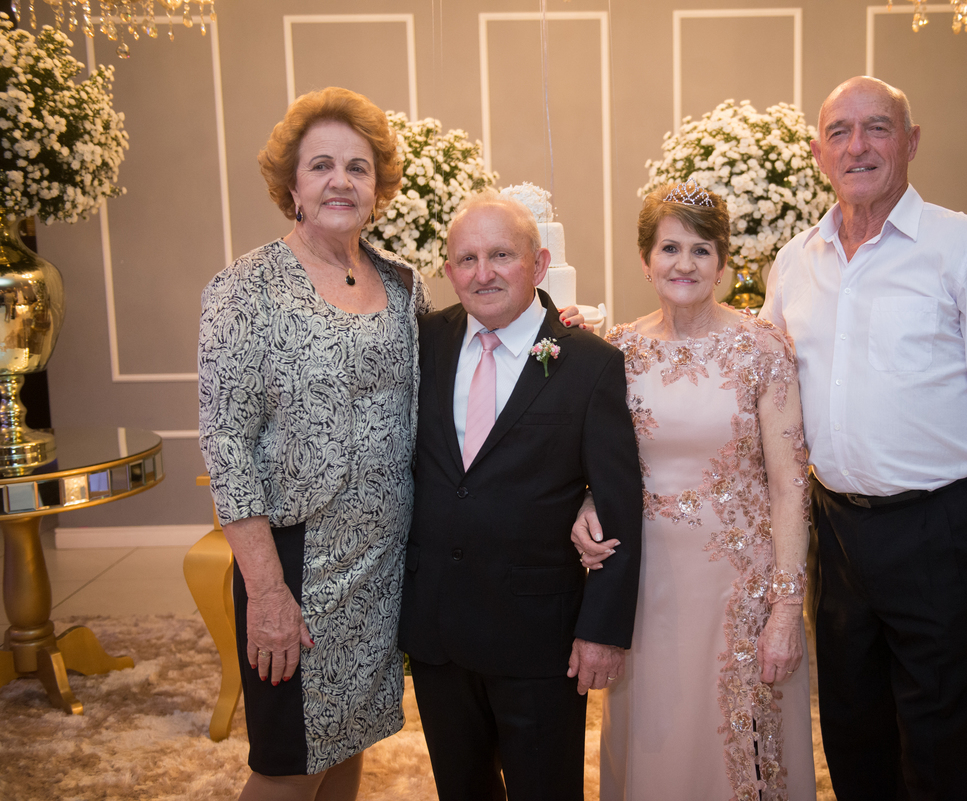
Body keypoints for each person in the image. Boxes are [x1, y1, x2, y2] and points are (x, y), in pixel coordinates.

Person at [198, 87, 588, 801]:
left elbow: (480, 365)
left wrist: (562, 332)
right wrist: (267, 592)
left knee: (348, 739)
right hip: (297, 563)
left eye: (358, 167)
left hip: (384, 566)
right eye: (321, 165)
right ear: (292, 185)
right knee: (287, 762)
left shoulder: (401, 284)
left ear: (378, 186)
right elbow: (226, 445)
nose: (340, 181)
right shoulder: (243, 291)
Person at [761, 76, 967, 800]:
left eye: (878, 128)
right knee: (853, 732)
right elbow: (759, 388)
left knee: (939, 743)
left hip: (939, 531)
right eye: (839, 131)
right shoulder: (795, 262)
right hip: (836, 533)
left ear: (911, 142)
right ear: (819, 152)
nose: (857, 146)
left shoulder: (966, 248)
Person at [396, 190, 643, 801]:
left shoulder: (589, 363)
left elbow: (619, 501)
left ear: (539, 264)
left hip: (538, 636)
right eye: (467, 259)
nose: (483, 273)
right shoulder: (423, 342)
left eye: (501, 255)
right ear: (449, 270)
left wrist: (603, 630)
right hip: (439, 627)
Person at [582, 181, 817, 800]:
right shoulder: (617, 351)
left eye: (701, 250)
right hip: (645, 586)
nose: (683, 264)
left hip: (739, 588)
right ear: (645, 260)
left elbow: (791, 488)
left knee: (734, 745)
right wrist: (587, 502)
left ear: (723, 263)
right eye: (669, 248)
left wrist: (786, 610)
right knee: (656, 736)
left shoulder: (762, 348)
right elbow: (602, 464)